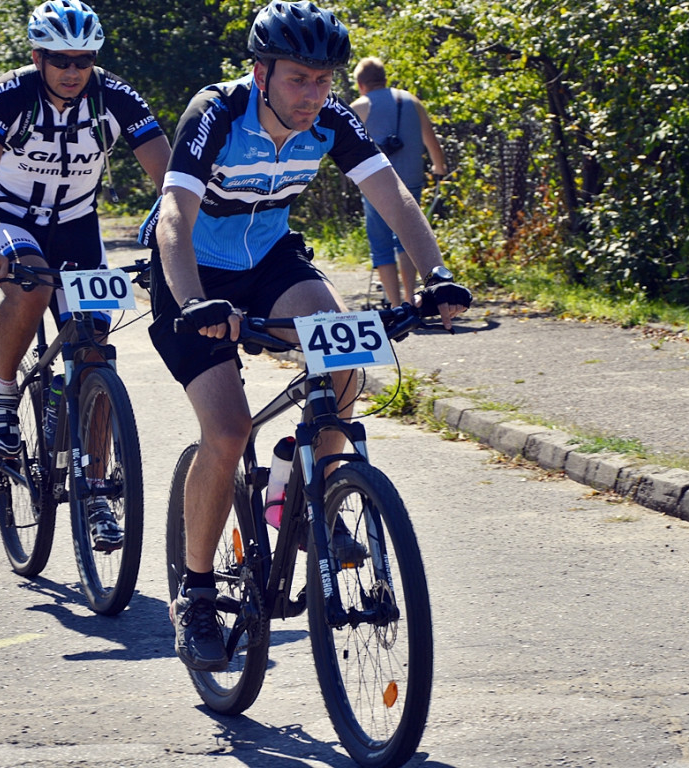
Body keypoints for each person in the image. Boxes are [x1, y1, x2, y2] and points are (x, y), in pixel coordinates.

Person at [146, 0, 471, 672]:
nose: (312, 94)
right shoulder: (215, 113)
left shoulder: (331, 118)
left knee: (346, 359)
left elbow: (394, 198)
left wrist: (436, 275)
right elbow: (175, 214)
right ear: (260, 72)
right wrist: (192, 301)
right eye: (298, 78)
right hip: (191, 275)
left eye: (324, 80)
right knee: (229, 429)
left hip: (268, 264)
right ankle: (198, 594)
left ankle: (313, 498)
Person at [0, 0, 171, 551]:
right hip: (12, 218)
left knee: (95, 349)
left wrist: (182, 245)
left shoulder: (115, 96)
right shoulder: (11, 94)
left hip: (78, 227)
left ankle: (96, 488)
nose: (73, 71)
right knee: (33, 283)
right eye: (60, 60)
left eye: (83, 59)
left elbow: (169, 177)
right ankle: (5, 394)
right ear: (38, 57)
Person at [350, 57, 448, 307]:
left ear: (361, 84)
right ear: (384, 78)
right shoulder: (411, 101)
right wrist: (439, 167)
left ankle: (395, 306)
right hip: (412, 179)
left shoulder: (360, 106)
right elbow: (431, 139)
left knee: (381, 242)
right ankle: (411, 298)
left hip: (378, 184)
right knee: (406, 235)